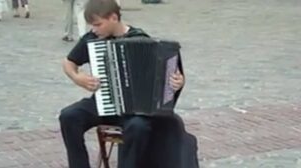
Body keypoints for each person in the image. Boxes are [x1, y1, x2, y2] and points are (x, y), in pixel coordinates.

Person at [59, 0, 200, 168]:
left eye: (98, 24)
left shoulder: (140, 38)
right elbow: (68, 63)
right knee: (69, 116)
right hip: (104, 102)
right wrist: (78, 78)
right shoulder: (92, 39)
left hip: (135, 112)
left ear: (113, 17)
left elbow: (166, 79)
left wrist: (177, 81)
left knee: (138, 127)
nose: (94, 30)